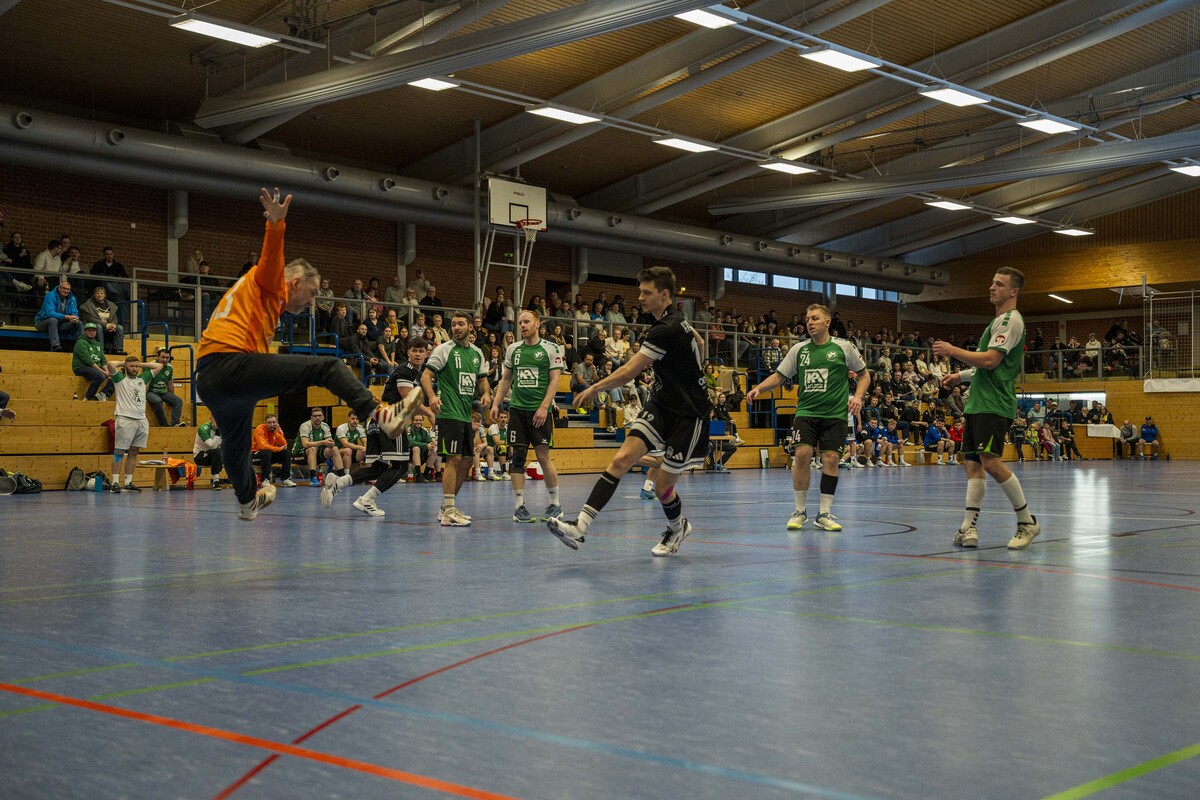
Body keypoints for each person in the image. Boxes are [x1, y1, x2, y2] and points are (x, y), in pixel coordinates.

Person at [194, 188, 412, 521]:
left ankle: (247, 502)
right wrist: (276, 224)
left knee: (235, 444)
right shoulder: (270, 282)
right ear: (295, 282)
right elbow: (271, 256)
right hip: (231, 363)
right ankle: (380, 414)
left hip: (211, 380)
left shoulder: (259, 303)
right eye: (311, 294)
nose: (311, 303)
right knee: (328, 366)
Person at [547, 267, 711, 557]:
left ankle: (678, 527)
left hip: (689, 414)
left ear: (665, 295)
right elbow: (698, 341)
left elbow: (628, 372)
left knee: (662, 488)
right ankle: (579, 526)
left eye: (647, 293)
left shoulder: (666, 328)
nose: (641, 298)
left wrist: (594, 388)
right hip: (661, 404)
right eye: (640, 292)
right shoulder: (674, 321)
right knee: (621, 458)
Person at [933, 267, 1040, 550]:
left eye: (999, 284)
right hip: (979, 403)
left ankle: (1027, 522)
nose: (992, 287)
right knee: (973, 465)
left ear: (1014, 291)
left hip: (993, 404)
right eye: (992, 282)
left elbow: (991, 360)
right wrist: (960, 376)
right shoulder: (997, 321)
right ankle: (968, 528)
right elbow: (990, 366)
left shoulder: (1009, 320)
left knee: (991, 463)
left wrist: (952, 350)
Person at [746, 304, 868, 530]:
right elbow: (779, 376)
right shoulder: (799, 349)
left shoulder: (844, 347)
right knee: (802, 454)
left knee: (831, 459)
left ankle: (824, 514)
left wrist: (858, 396)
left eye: (815, 318)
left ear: (827, 322)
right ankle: (800, 511)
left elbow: (864, 375)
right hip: (806, 412)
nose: (810, 322)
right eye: (808, 319)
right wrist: (758, 389)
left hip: (835, 414)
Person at [489, 309, 566, 523]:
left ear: (537, 324)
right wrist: (495, 403)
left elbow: (555, 380)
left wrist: (544, 407)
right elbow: (506, 379)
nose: (522, 325)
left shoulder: (550, 348)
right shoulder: (513, 349)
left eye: (526, 321)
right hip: (517, 411)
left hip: (540, 411)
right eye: (520, 322)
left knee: (543, 456)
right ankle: (519, 507)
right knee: (518, 457)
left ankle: (555, 505)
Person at [420, 312, 491, 527]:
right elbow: (425, 376)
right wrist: (432, 397)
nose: (456, 327)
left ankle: (446, 507)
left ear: (470, 327)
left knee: (467, 461)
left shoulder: (477, 353)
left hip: (466, 415)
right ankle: (450, 511)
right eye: (453, 324)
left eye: (461, 324)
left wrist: (487, 393)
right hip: (449, 412)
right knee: (454, 459)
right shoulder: (444, 350)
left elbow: (482, 380)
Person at [108, 355, 163, 493]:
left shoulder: (142, 378)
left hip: (141, 419)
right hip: (125, 419)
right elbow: (110, 364)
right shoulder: (120, 379)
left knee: (134, 452)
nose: (134, 368)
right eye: (131, 366)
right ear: (126, 367)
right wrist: (124, 363)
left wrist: (140, 364)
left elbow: (159, 366)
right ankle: (115, 482)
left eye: (136, 366)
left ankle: (128, 482)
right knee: (119, 451)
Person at [292, 407, 344, 486]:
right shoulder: (305, 426)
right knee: (312, 449)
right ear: (311, 418)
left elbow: (329, 442)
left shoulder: (325, 426)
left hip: (314, 454)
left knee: (334, 449)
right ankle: (313, 478)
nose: (317, 418)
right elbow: (305, 444)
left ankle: (342, 477)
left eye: (319, 415)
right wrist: (323, 442)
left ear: (323, 417)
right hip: (299, 454)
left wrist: (331, 443)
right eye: (315, 416)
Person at [34, 280, 82, 352]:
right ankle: (55, 346)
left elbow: (74, 312)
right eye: (64, 288)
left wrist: (75, 318)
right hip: (42, 323)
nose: (66, 291)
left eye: (68, 289)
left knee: (79, 323)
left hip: (60, 324)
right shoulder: (50, 296)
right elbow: (50, 313)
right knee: (53, 320)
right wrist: (66, 317)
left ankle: (81, 348)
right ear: (59, 288)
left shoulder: (72, 299)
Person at [72, 322, 114, 401]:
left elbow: (103, 360)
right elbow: (88, 361)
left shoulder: (98, 344)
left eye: (93, 330)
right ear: (85, 332)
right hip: (81, 367)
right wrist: (103, 372)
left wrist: (107, 371)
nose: (91, 332)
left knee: (115, 375)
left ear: (96, 332)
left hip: (95, 368)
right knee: (100, 376)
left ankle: (103, 394)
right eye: (89, 330)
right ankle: (88, 397)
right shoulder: (81, 342)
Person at [78, 286, 126, 355]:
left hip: (108, 328)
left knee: (119, 328)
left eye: (102, 293)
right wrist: (106, 325)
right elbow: (92, 319)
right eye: (97, 293)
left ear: (105, 295)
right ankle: (101, 348)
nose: (99, 295)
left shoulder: (110, 305)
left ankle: (118, 349)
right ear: (94, 295)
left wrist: (113, 325)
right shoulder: (88, 305)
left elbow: (114, 317)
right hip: (93, 327)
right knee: (98, 326)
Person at [252, 415, 295, 487]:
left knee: (286, 453)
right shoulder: (260, 429)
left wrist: (276, 433)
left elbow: (284, 444)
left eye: (274, 422)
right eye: (269, 423)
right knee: (267, 452)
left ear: (277, 422)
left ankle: (285, 479)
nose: (272, 425)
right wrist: (278, 449)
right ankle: (264, 480)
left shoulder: (278, 429)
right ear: (265, 423)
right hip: (255, 455)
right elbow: (263, 446)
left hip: (268, 455)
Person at [146, 348, 185, 427]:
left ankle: (175, 424)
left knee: (178, 400)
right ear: (157, 357)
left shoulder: (170, 367)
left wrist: (172, 397)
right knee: (157, 401)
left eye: (167, 358)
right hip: (151, 392)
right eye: (163, 357)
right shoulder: (151, 366)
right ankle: (164, 424)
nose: (165, 359)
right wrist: (143, 396)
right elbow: (146, 382)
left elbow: (170, 383)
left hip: (163, 392)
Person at [193, 416, 225, 489]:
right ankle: (216, 481)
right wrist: (218, 431)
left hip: (216, 456)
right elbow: (212, 446)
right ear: (211, 418)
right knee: (217, 451)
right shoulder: (204, 429)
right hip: (201, 455)